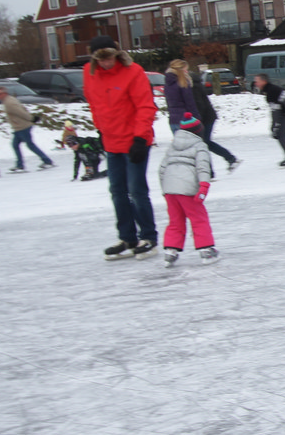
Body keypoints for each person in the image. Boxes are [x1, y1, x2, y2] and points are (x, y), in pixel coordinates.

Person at [84, 36, 158, 259]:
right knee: (117, 191)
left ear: (117, 55)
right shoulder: (89, 72)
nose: (106, 63)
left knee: (136, 190)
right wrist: (100, 130)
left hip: (134, 141)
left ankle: (149, 237)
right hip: (111, 142)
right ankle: (127, 237)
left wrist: (140, 139)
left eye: (110, 58)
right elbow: (94, 104)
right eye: (102, 60)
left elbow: (146, 106)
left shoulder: (133, 72)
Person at [157, 112, 219, 267]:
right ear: (198, 131)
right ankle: (206, 250)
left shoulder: (172, 146)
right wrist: (204, 186)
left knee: (175, 220)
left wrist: (165, 189)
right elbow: (203, 168)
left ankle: (170, 252)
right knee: (198, 218)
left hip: (170, 189)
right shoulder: (200, 146)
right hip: (188, 190)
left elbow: (162, 169)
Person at [188, 69, 240, 172]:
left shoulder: (194, 87)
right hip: (207, 117)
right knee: (205, 143)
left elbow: (200, 104)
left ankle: (223, 163)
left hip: (206, 118)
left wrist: (198, 121)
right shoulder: (196, 85)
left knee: (204, 144)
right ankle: (230, 159)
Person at [0, 86, 55, 172]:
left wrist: (31, 118)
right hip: (18, 127)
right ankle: (20, 165)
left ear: (4, 93)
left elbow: (21, 112)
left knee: (29, 145)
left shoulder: (9, 103)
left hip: (23, 127)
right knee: (16, 145)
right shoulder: (8, 101)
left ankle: (47, 161)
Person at [254, 73, 285, 166]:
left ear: (264, 81)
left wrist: (274, 126)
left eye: (257, 81)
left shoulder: (271, 92)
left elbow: (276, 112)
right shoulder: (271, 89)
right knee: (280, 134)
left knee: (281, 135)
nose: (255, 84)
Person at [162, 59, 195, 133]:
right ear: (181, 70)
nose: (187, 72)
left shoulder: (167, 84)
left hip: (173, 120)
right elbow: (190, 103)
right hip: (185, 120)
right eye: (185, 70)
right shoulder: (183, 83)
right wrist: (197, 117)